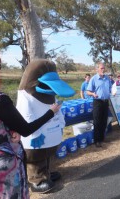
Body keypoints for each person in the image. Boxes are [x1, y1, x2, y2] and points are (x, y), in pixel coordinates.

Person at [0, 45, 61, 198]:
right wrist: (51, 112)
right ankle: (37, 178)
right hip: (3, 166)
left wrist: (9, 130)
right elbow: (26, 129)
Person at [16, 59, 75, 193]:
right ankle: (36, 179)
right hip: (36, 137)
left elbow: (58, 111)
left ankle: (46, 173)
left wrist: (60, 123)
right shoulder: (26, 96)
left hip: (51, 133)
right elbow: (26, 118)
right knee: (36, 159)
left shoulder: (51, 95)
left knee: (47, 156)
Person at [87, 63, 112, 147]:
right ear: (97, 69)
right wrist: (93, 94)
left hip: (105, 102)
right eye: (101, 68)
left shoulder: (107, 78)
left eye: (104, 68)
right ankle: (97, 140)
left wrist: (113, 92)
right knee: (97, 121)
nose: (103, 70)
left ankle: (102, 138)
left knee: (104, 121)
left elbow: (111, 88)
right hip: (97, 102)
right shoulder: (94, 79)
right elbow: (88, 91)